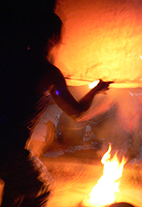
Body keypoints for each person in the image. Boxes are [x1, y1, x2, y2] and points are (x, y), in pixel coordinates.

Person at [0, 12, 112, 207]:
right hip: (9, 148)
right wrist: (96, 90)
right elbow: (76, 112)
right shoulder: (49, 74)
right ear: (53, 37)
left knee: (16, 186)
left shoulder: (10, 60)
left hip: (7, 145)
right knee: (42, 187)